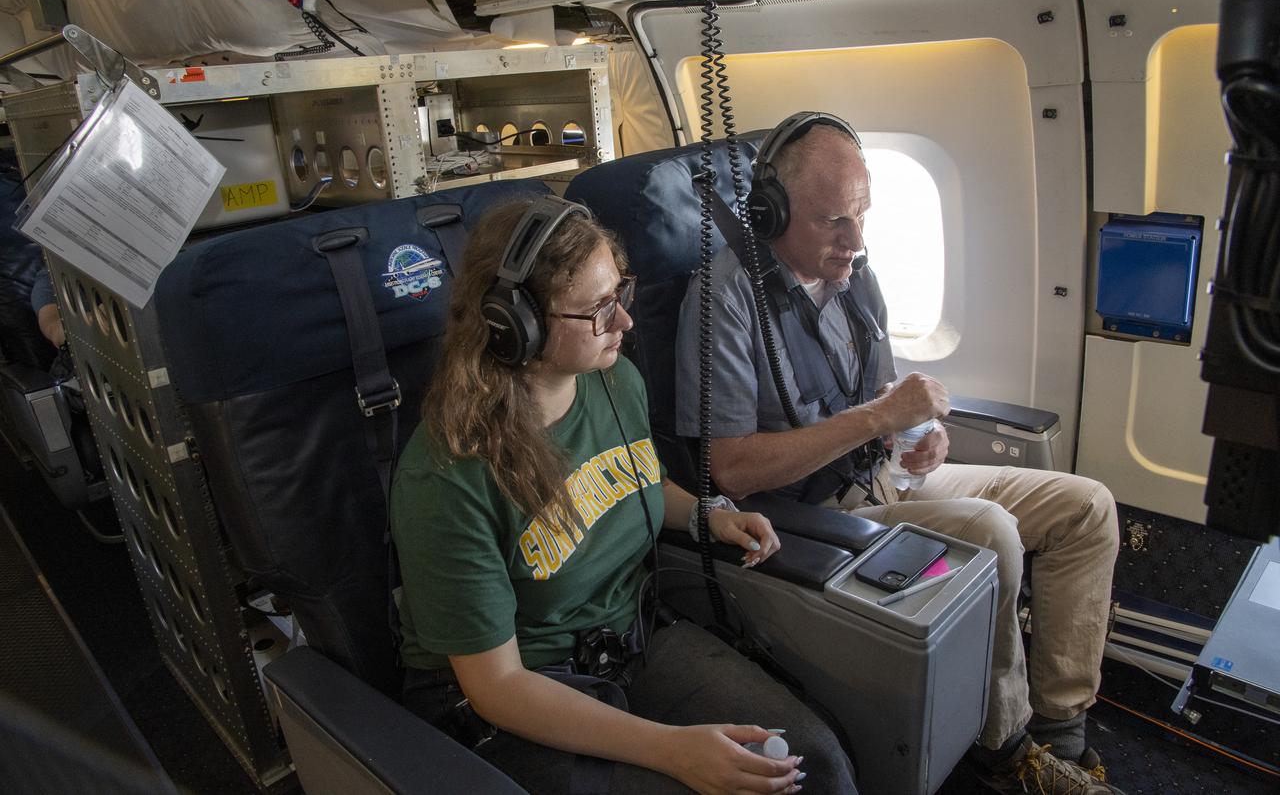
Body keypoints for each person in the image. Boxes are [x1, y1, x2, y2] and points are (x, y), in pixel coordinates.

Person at [674, 113, 1123, 795]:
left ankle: (1061, 731)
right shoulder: (725, 301)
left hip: (887, 479)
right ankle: (1009, 753)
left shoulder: (856, 275)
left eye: (863, 215)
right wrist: (878, 417)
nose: (856, 240)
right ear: (772, 212)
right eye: (833, 222)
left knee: (1087, 508)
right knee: (994, 535)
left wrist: (914, 434)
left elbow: (880, 391)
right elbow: (730, 467)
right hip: (815, 514)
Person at [391, 195, 858, 794]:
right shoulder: (446, 477)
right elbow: (497, 686)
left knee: (811, 759)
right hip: (516, 694)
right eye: (598, 309)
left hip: (625, 640)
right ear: (517, 325)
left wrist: (705, 514)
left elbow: (633, 480)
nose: (625, 323)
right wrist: (672, 750)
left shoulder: (615, 381)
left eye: (622, 295)